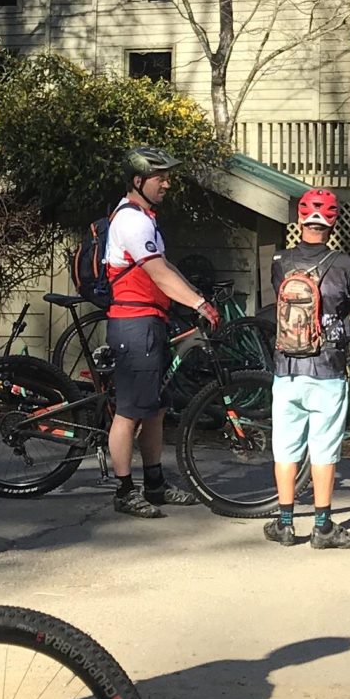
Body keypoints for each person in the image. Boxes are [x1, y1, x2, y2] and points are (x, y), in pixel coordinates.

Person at [102, 145, 218, 517]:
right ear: (138, 181)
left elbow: (167, 267)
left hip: (151, 321)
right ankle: (124, 490)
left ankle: (155, 485)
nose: (167, 183)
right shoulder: (132, 221)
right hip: (134, 325)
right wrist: (197, 304)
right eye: (160, 177)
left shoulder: (145, 218)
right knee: (130, 411)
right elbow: (159, 273)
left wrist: (196, 296)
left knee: (154, 409)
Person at [263, 188, 350, 548]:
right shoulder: (343, 264)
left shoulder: (280, 261)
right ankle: (323, 526)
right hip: (327, 368)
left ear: (300, 221)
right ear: (332, 223)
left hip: (286, 367)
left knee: (286, 447)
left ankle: (285, 523)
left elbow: (279, 293)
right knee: (323, 449)